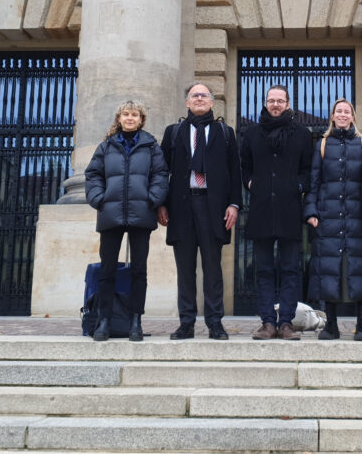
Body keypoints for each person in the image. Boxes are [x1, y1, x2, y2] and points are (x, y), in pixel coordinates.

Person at [158, 84, 241, 341]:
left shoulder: (225, 133)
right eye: (195, 95)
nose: (199, 98)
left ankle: (215, 323)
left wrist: (234, 204)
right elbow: (161, 172)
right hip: (181, 207)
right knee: (185, 270)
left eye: (204, 95)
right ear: (187, 103)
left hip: (212, 207)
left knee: (213, 269)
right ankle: (186, 323)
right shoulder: (174, 132)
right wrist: (160, 203)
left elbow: (235, 172)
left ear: (212, 102)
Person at [83, 100, 169, 342]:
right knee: (107, 270)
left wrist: (152, 199)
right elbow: (93, 175)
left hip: (141, 214)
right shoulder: (106, 146)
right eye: (126, 114)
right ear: (119, 119)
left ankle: (135, 321)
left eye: (135, 115)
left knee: (139, 271)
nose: (130, 118)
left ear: (141, 119)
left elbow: (161, 175)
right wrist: (99, 198)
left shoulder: (151, 146)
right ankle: (104, 321)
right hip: (111, 214)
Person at [241, 85, 313, 340]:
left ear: (288, 104)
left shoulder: (302, 134)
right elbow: (244, 168)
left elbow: (308, 169)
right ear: (265, 103)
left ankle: (286, 323)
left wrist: (298, 186)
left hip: (289, 209)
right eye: (271, 100)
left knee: (290, 268)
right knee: (263, 269)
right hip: (261, 209)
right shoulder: (251, 134)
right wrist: (251, 184)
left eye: (280, 101)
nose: (275, 105)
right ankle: (267, 323)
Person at [304, 99, 362, 341]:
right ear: (332, 116)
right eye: (339, 111)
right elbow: (314, 182)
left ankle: (361, 325)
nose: (343, 115)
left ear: (353, 117)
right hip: (329, 215)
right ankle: (331, 325)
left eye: (347, 112)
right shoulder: (323, 144)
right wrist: (311, 211)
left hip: (358, 217)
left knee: (359, 270)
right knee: (329, 269)